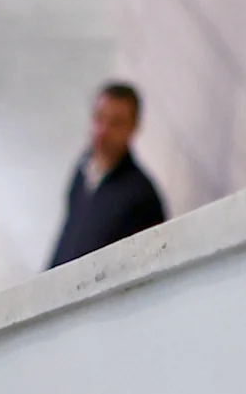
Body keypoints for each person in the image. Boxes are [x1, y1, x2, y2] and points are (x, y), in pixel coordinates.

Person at [45, 81, 166, 268]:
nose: (102, 131)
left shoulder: (141, 197)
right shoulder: (83, 166)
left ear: (133, 127)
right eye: (99, 118)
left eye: (115, 123)